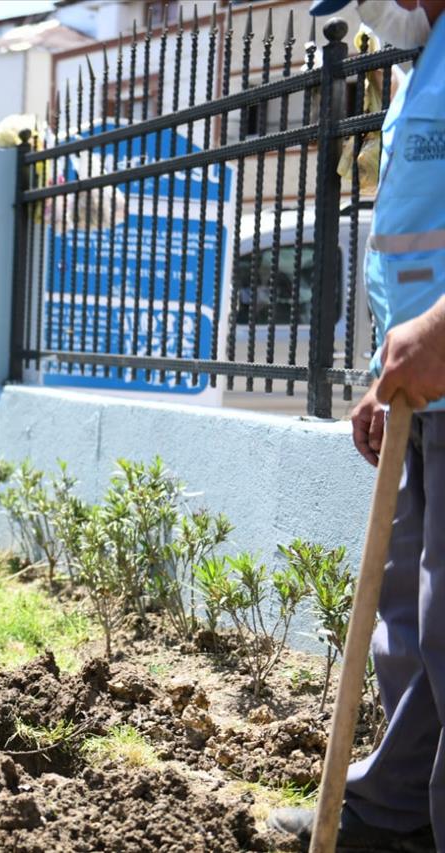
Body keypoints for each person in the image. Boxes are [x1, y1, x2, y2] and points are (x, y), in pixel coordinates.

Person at [269, 1, 445, 851]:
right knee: (408, 628)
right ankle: (388, 816)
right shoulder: (423, 56)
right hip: (424, 396)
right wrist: (389, 374)